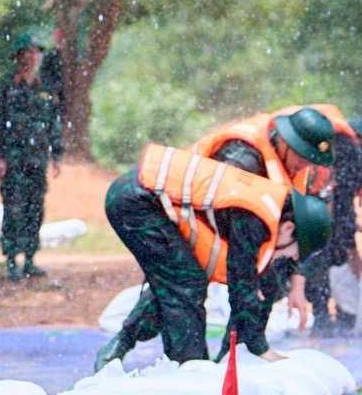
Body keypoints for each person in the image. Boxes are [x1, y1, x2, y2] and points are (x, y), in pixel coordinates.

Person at [94, 144, 331, 371]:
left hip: (145, 196)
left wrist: (240, 351)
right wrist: (259, 348)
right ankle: (189, 370)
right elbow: (241, 286)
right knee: (185, 284)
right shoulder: (255, 217)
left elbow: (252, 288)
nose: (286, 256)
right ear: (288, 229)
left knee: (182, 280)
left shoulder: (273, 206)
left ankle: (125, 346)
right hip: (136, 201)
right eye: (292, 252)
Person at [191, 106, 336, 333]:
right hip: (190, 224)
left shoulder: (296, 168)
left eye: (310, 159)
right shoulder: (243, 161)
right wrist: (248, 282)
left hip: (241, 235)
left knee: (273, 280)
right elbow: (237, 236)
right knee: (182, 296)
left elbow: (299, 232)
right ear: (285, 142)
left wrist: (296, 286)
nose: (304, 165)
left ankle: (243, 343)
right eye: (301, 155)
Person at [265, 106, 361, 336]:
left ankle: (328, 320)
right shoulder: (349, 151)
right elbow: (341, 206)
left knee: (326, 253)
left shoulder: (334, 145)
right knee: (326, 252)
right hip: (316, 216)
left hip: (307, 212)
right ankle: (327, 322)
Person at [0, 31, 63, 281]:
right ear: (18, 56)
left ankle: (30, 259)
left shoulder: (46, 87)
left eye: (36, 52)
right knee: (13, 208)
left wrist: (57, 154)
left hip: (36, 159)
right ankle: (11, 259)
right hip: (12, 159)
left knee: (35, 207)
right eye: (27, 52)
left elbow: (53, 123)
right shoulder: (4, 86)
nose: (32, 57)